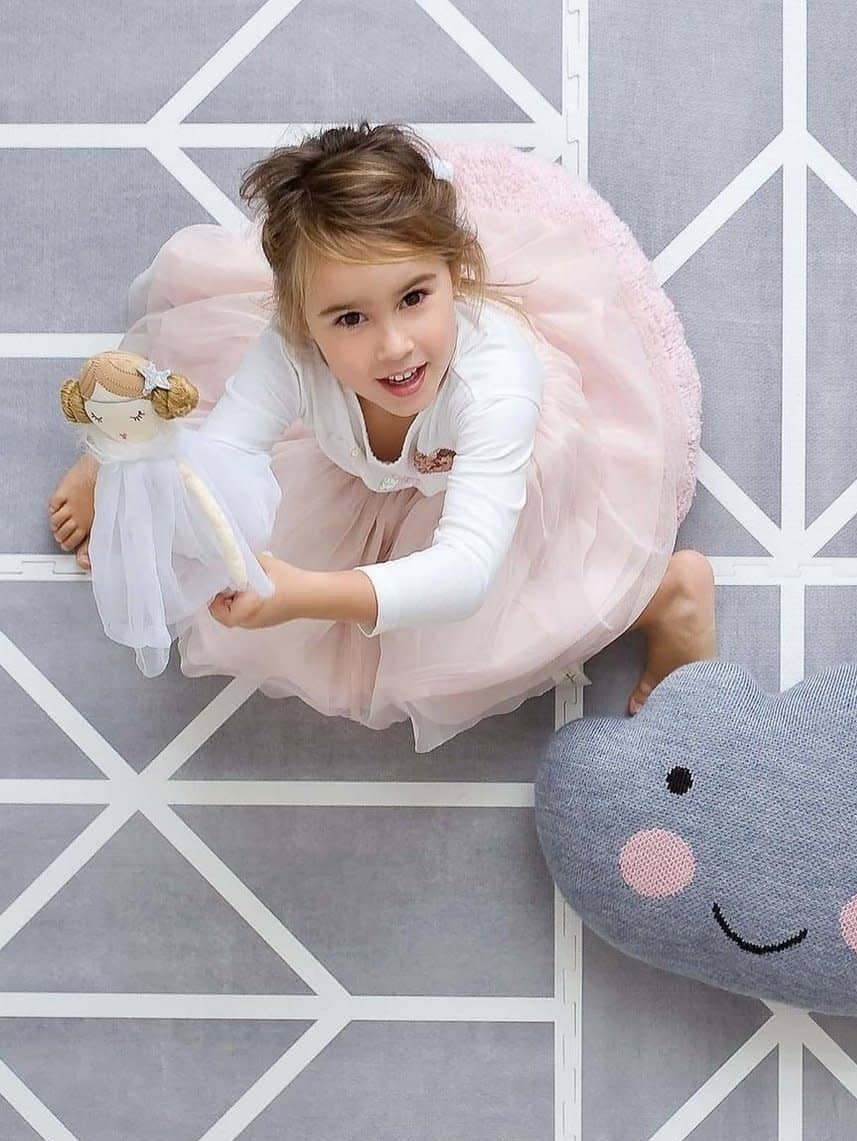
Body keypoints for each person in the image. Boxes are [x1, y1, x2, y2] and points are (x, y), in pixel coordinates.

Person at [47, 121, 716, 753]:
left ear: (455, 274)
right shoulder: (290, 353)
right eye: (349, 319)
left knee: (513, 618)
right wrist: (153, 475)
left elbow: (466, 571)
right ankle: (136, 439)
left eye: (414, 298)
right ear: (301, 323)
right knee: (207, 442)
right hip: (356, 467)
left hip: (502, 479)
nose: (394, 346)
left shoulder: (495, 382)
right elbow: (229, 457)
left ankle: (667, 596)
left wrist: (302, 595)